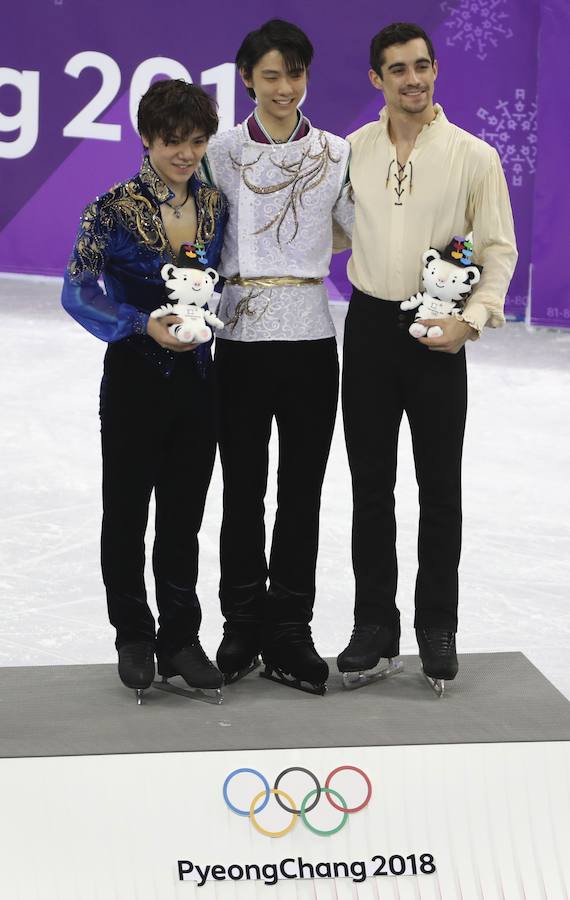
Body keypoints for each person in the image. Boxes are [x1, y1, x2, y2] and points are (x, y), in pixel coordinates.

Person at [337, 22, 517, 693]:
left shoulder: (475, 156)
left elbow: (498, 249)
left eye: (421, 66)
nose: (412, 80)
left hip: (438, 330)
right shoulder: (349, 150)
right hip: (368, 330)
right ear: (375, 80)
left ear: (435, 70)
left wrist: (468, 323)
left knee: (439, 490)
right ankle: (373, 626)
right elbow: (330, 229)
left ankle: (437, 626)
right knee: (369, 488)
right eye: (397, 69)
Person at [61, 80, 228, 702]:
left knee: (183, 518)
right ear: (147, 138)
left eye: (196, 141)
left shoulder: (215, 205)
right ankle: (133, 633)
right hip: (133, 379)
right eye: (172, 141)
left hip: (199, 383)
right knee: (127, 513)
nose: (185, 153)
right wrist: (140, 324)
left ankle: (181, 639)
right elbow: (77, 291)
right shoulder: (109, 207)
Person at [202, 19, 354, 694]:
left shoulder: (335, 151)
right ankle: (241, 622)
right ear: (246, 79)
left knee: (301, 492)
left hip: (312, 337)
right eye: (271, 76)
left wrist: (302, 258)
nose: (284, 89)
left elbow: (350, 227)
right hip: (237, 339)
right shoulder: (220, 152)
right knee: (242, 489)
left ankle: (291, 626)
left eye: (294, 75)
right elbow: (196, 231)